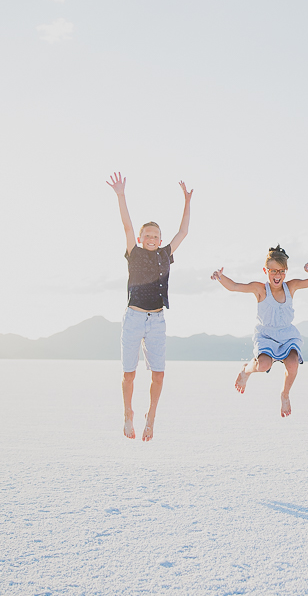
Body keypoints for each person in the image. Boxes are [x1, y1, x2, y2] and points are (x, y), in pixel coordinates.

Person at [106, 172, 193, 441]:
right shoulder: (135, 253)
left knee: (159, 374)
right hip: (134, 318)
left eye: (156, 235)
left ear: (160, 238)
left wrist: (186, 201)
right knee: (129, 374)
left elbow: (184, 232)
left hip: (157, 319)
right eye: (148, 235)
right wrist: (121, 195)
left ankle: (151, 416)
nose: (152, 238)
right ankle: (127, 413)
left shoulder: (166, 254)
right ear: (142, 238)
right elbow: (127, 227)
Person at [211, 246, 308, 417]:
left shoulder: (291, 286)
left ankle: (285, 394)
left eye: (281, 271)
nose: (277, 275)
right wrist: (220, 277)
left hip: (287, 336)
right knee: (264, 365)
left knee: (293, 364)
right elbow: (234, 286)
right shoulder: (260, 289)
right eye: (273, 271)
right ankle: (245, 370)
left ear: (286, 271)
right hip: (266, 336)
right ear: (266, 270)